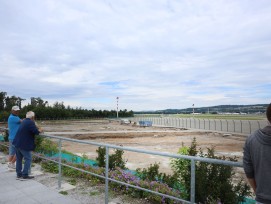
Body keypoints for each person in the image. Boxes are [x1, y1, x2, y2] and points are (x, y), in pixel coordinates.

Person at [243, 103, 271, 203]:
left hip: (262, 198)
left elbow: (248, 170)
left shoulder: (251, 139)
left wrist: (258, 192)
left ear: (267, 117)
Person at [12, 111, 42, 180]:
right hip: (23, 145)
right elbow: (36, 132)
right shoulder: (30, 122)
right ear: (32, 117)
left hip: (17, 143)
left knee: (19, 159)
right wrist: (40, 130)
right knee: (28, 159)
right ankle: (25, 175)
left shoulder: (24, 121)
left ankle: (19, 174)